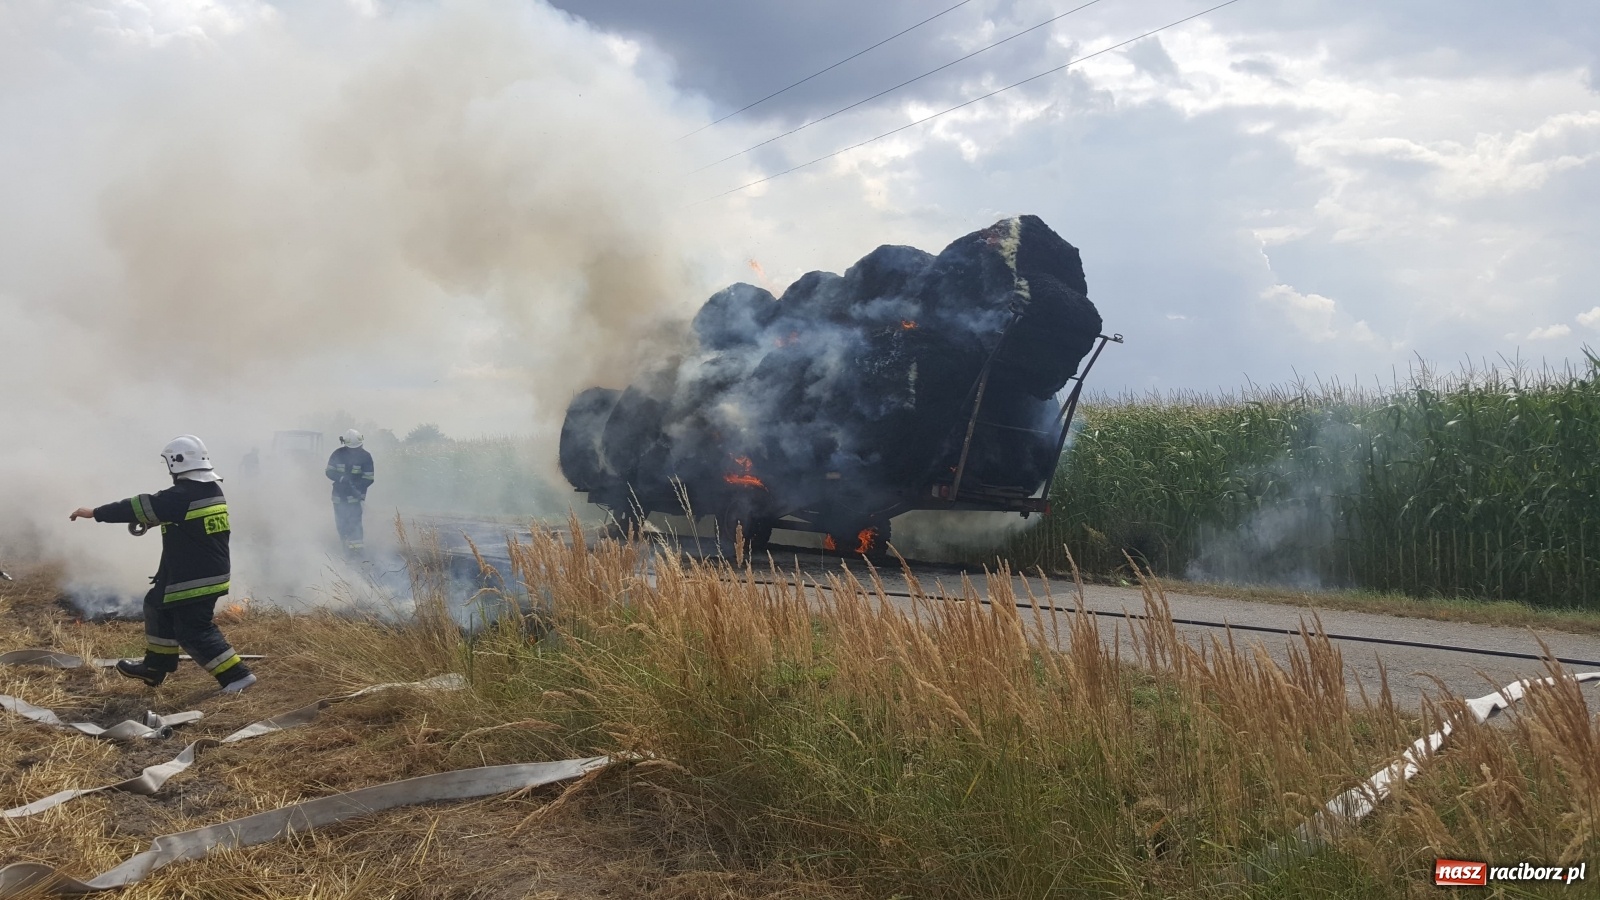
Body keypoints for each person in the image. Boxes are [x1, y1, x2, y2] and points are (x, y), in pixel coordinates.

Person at [70, 435, 255, 693]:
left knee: (194, 630)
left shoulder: (180, 495)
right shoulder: (210, 489)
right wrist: (155, 521)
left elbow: (138, 506)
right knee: (157, 604)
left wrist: (95, 513)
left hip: (195, 578)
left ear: (174, 464)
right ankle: (155, 667)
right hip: (202, 571)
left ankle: (237, 676)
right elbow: (185, 519)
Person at [325, 429, 375, 555]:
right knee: (341, 524)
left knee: (355, 524)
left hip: (355, 499)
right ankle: (345, 549)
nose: (356, 451)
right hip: (339, 497)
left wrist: (356, 487)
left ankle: (357, 553)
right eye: (353, 449)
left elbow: (369, 478)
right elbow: (329, 471)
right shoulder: (337, 454)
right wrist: (341, 478)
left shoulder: (366, 457)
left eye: (358, 448)